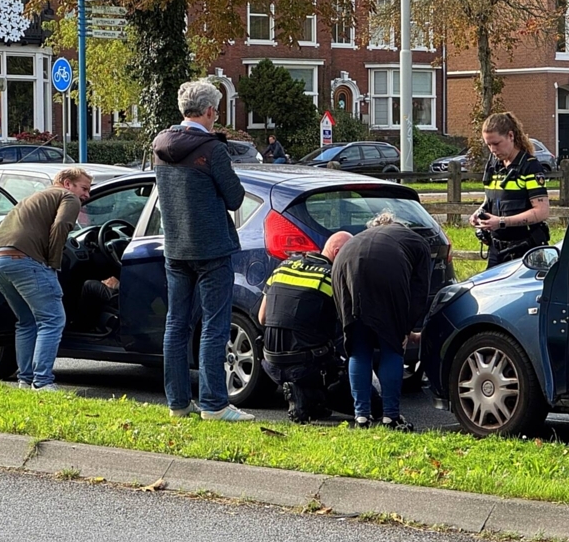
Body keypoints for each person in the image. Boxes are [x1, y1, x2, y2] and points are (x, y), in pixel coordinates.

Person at [152, 80, 254, 422]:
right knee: (214, 325)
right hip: (211, 247)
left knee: (176, 324)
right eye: (216, 111)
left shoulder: (160, 146)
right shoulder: (211, 149)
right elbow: (235, 197)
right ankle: (214, 404)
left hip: (175, 247)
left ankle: (178, 403)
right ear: (209, 111)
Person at [0, 167, 92, 391]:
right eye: (84, 188)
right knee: (52, 320)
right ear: (66, 183)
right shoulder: (68, 197)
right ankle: (42, 382)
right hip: (25, 261)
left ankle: (25, 379)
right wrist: (52, 262)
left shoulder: (32, 199)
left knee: (26, 321)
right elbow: (62, 225)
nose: (86, 195)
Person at [331, 212, 431, 430]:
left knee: (358, 348)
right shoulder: (415, 241)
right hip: (388, 270)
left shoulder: (360, 237)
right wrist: (405, 328)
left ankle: (361, 418)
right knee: (391, 346)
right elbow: (420, 290)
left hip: (344, 263)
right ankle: (390, 417)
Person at [257, 231, 353, 423]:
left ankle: (309, 400)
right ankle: (307, 397)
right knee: (370, 404)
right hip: (307, 366)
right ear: (338, 251)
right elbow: (347, 324)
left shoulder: (282, 268)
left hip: (270, 364)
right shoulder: (330, 277)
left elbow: (262, 318)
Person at [469, 112, 551, 268]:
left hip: (525, 250)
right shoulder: (494, 164)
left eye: (497, 143)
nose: (493, 149)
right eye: (488, 145)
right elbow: (492, 199)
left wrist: (500, 222)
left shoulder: (529, 166)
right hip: (496, 249)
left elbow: (542, 211)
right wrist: (478, 213)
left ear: (511, 136)